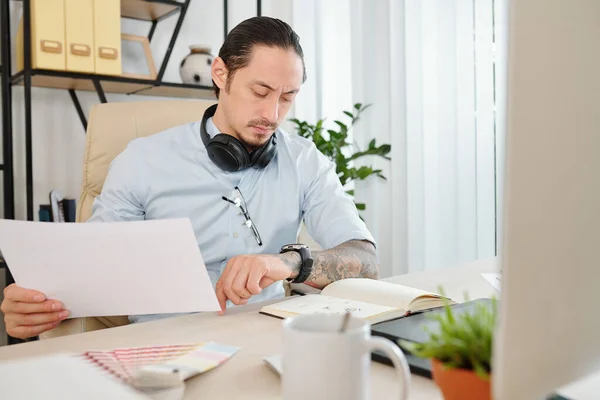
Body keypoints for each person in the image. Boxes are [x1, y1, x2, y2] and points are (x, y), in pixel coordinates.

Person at [1, 16, 378, 340]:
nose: (272, 113)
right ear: (220, 73)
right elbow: (94, 276)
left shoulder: (304, 160)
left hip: (267, 339)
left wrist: (289, 263)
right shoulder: (142, 161)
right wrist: (36, 306)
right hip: (164, 345)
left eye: (287, 98)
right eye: (260, 91)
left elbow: (366, 259)